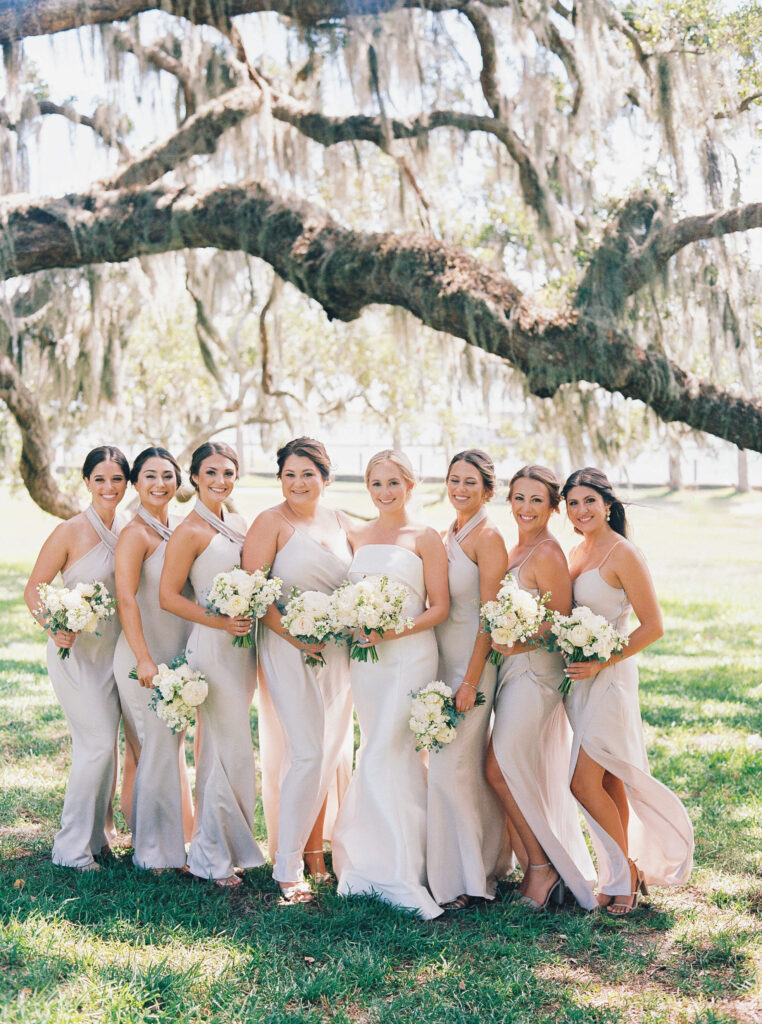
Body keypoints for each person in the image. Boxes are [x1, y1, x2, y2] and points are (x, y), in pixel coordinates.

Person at [562, 467, 693, 915]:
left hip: (610, 679)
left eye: (589, 502)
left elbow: (653, 626)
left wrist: (604, 659)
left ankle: (624, 876)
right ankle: (625, 873)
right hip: (578, 683)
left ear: (608, 505)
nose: (581, 510)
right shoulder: (577, 551)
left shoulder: (623, 553)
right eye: (573, 503)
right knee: (607, 777)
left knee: (582, 782)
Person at [332, 450, 449, 920]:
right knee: (372, 748)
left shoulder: (426, 538)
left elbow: (438, 606)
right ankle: (366, 860)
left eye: (392, 484)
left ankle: (403, 867)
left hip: (409, 656)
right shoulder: (357, 533)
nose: (384, 493)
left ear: (410, 485)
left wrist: (390, 630)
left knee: (391, 749)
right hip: (367, 661)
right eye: (376, 485)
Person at [242, 437, 353, 903]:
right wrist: (294, 635)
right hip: (287, 647)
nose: (298, 482)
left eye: (308, 473)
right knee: (307, 751)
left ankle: (315, 852)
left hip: (338, 651)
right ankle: (287, 867)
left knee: (330, 752)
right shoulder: (270, 522)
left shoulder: (342, 520)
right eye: (290, 474)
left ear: (325, 478)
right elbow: (253, 591)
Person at [486, 465, 597, 911]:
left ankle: (542, 867)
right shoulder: (516, 548)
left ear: (553, 506)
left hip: (536, 675)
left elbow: (563, 624)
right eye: (518, 498)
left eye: (537, 500)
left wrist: (518, 640)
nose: (526, 508)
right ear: (508, 500)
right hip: (511, 672)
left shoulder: (548, 553)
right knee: (511, 768)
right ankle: (536, 860)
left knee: (499, 768)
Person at [159, 441, 264, 887]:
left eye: (228, 473)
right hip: (214, 644)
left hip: (243, 647)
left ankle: (227, 844)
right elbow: (168, 596)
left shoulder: (238, 523)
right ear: (195, 478)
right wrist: (218, 620)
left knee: (233, 748)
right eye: (212, 473)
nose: (221, 480)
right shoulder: (190, 531)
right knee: (223, 750)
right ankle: (210, 856)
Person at [23, 445, 130, 869]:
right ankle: (69, 848)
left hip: (114, 654)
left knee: (107, 746)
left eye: (117, 479)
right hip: (74, 654)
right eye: (99, 479)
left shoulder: (131, 529)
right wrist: (54, 625)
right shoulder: (69, 531)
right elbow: (33, 588)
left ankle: (97, 838)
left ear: (127, 483)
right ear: (86, 482)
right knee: (98, 745)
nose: (108, 487)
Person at [426, 450, 512, 910]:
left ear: (488, 490)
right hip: (441, 663)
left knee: (449, 768)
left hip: (473, 666)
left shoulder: (489, 537)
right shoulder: (448, 532)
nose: (460, 489)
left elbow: (490, 617)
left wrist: (471, 681)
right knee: (459, 769)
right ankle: (481, 861)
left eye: (470, 483)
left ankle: (467, 877)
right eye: (454, 480)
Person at [113, 446, 194, 871]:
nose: (159, 484)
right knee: (153, 749)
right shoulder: (135, 534)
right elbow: (126, 599)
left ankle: (173, 840)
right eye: (149, 476)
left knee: (168, 750)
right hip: (141, 659)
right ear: (135, 484)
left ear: (178, 482)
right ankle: (153, 853)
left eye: (167, 476)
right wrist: (144, 659)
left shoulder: (181, 528)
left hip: (178, 656)